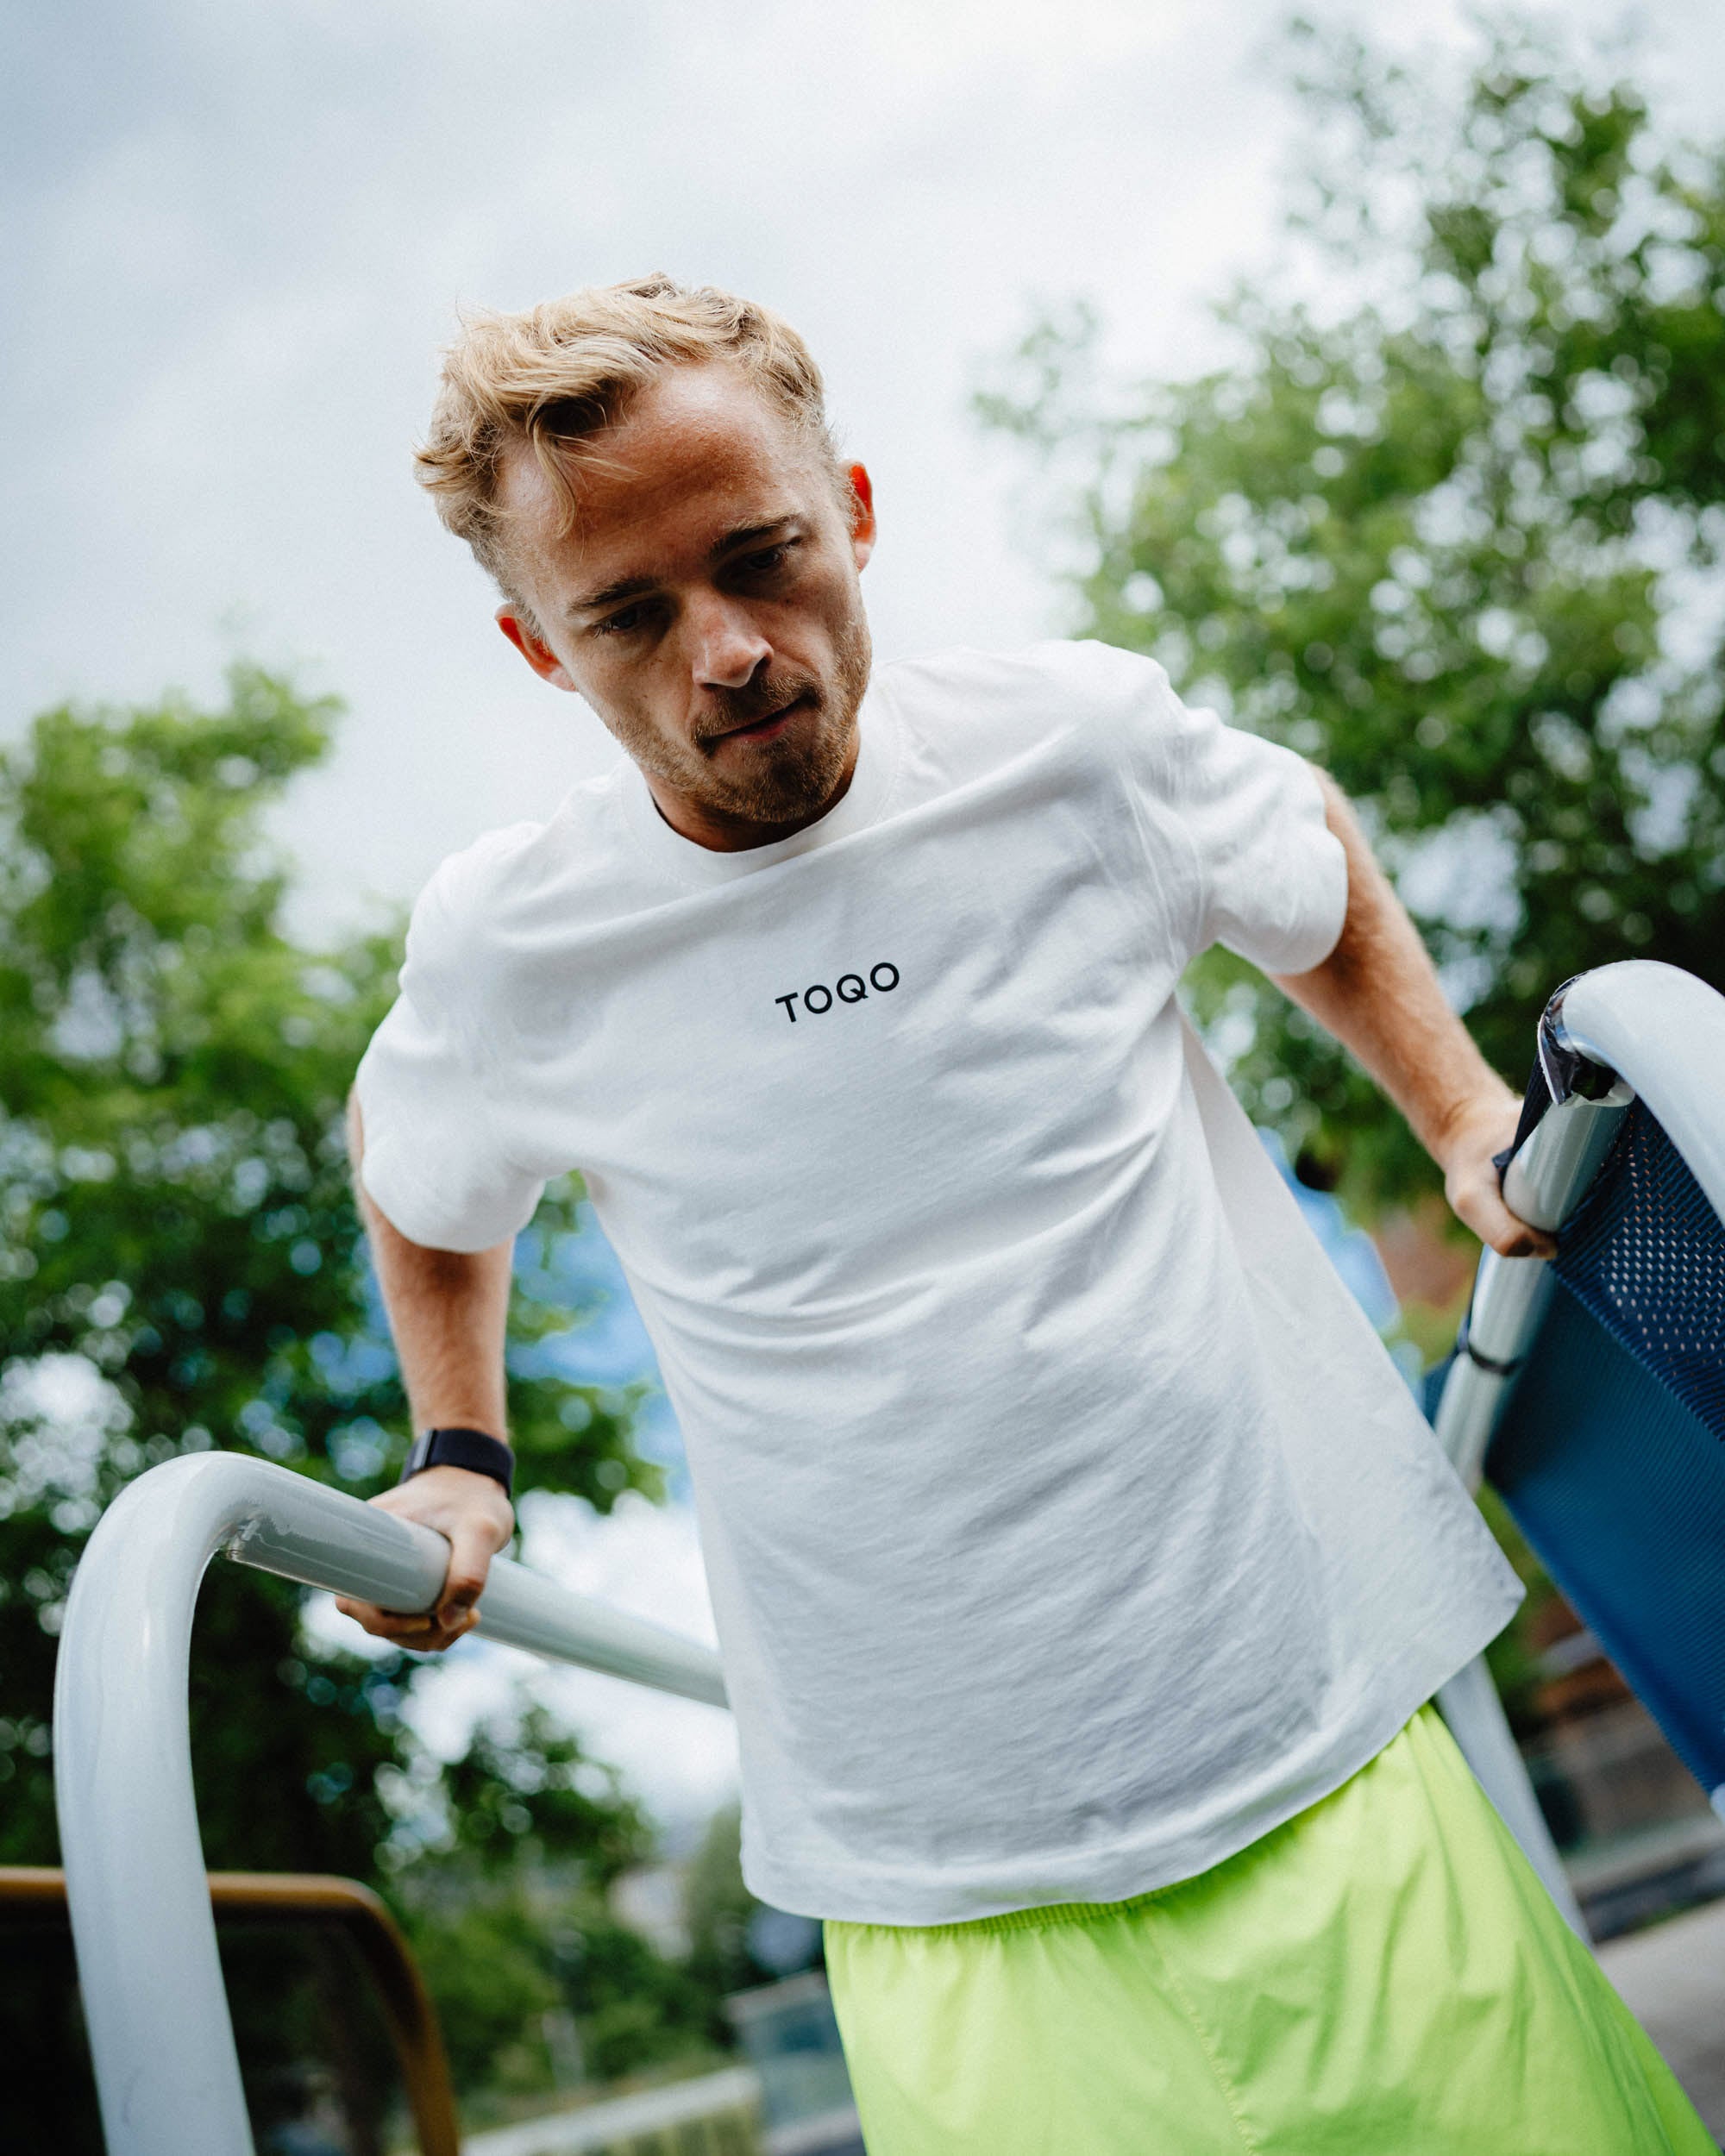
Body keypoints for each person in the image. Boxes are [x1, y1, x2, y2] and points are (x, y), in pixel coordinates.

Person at [340, 276, 1710, 2153]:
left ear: (859, 513)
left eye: (765, 557)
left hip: (1302, 1709)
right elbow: (418, 1179)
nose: (727, 650)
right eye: (631, 616)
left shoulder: (1070, 748)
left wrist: (1464, 1106)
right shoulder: (514, 946)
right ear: (535, 647)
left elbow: (1300, 851)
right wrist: (460, 1450)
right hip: (931, 1849)